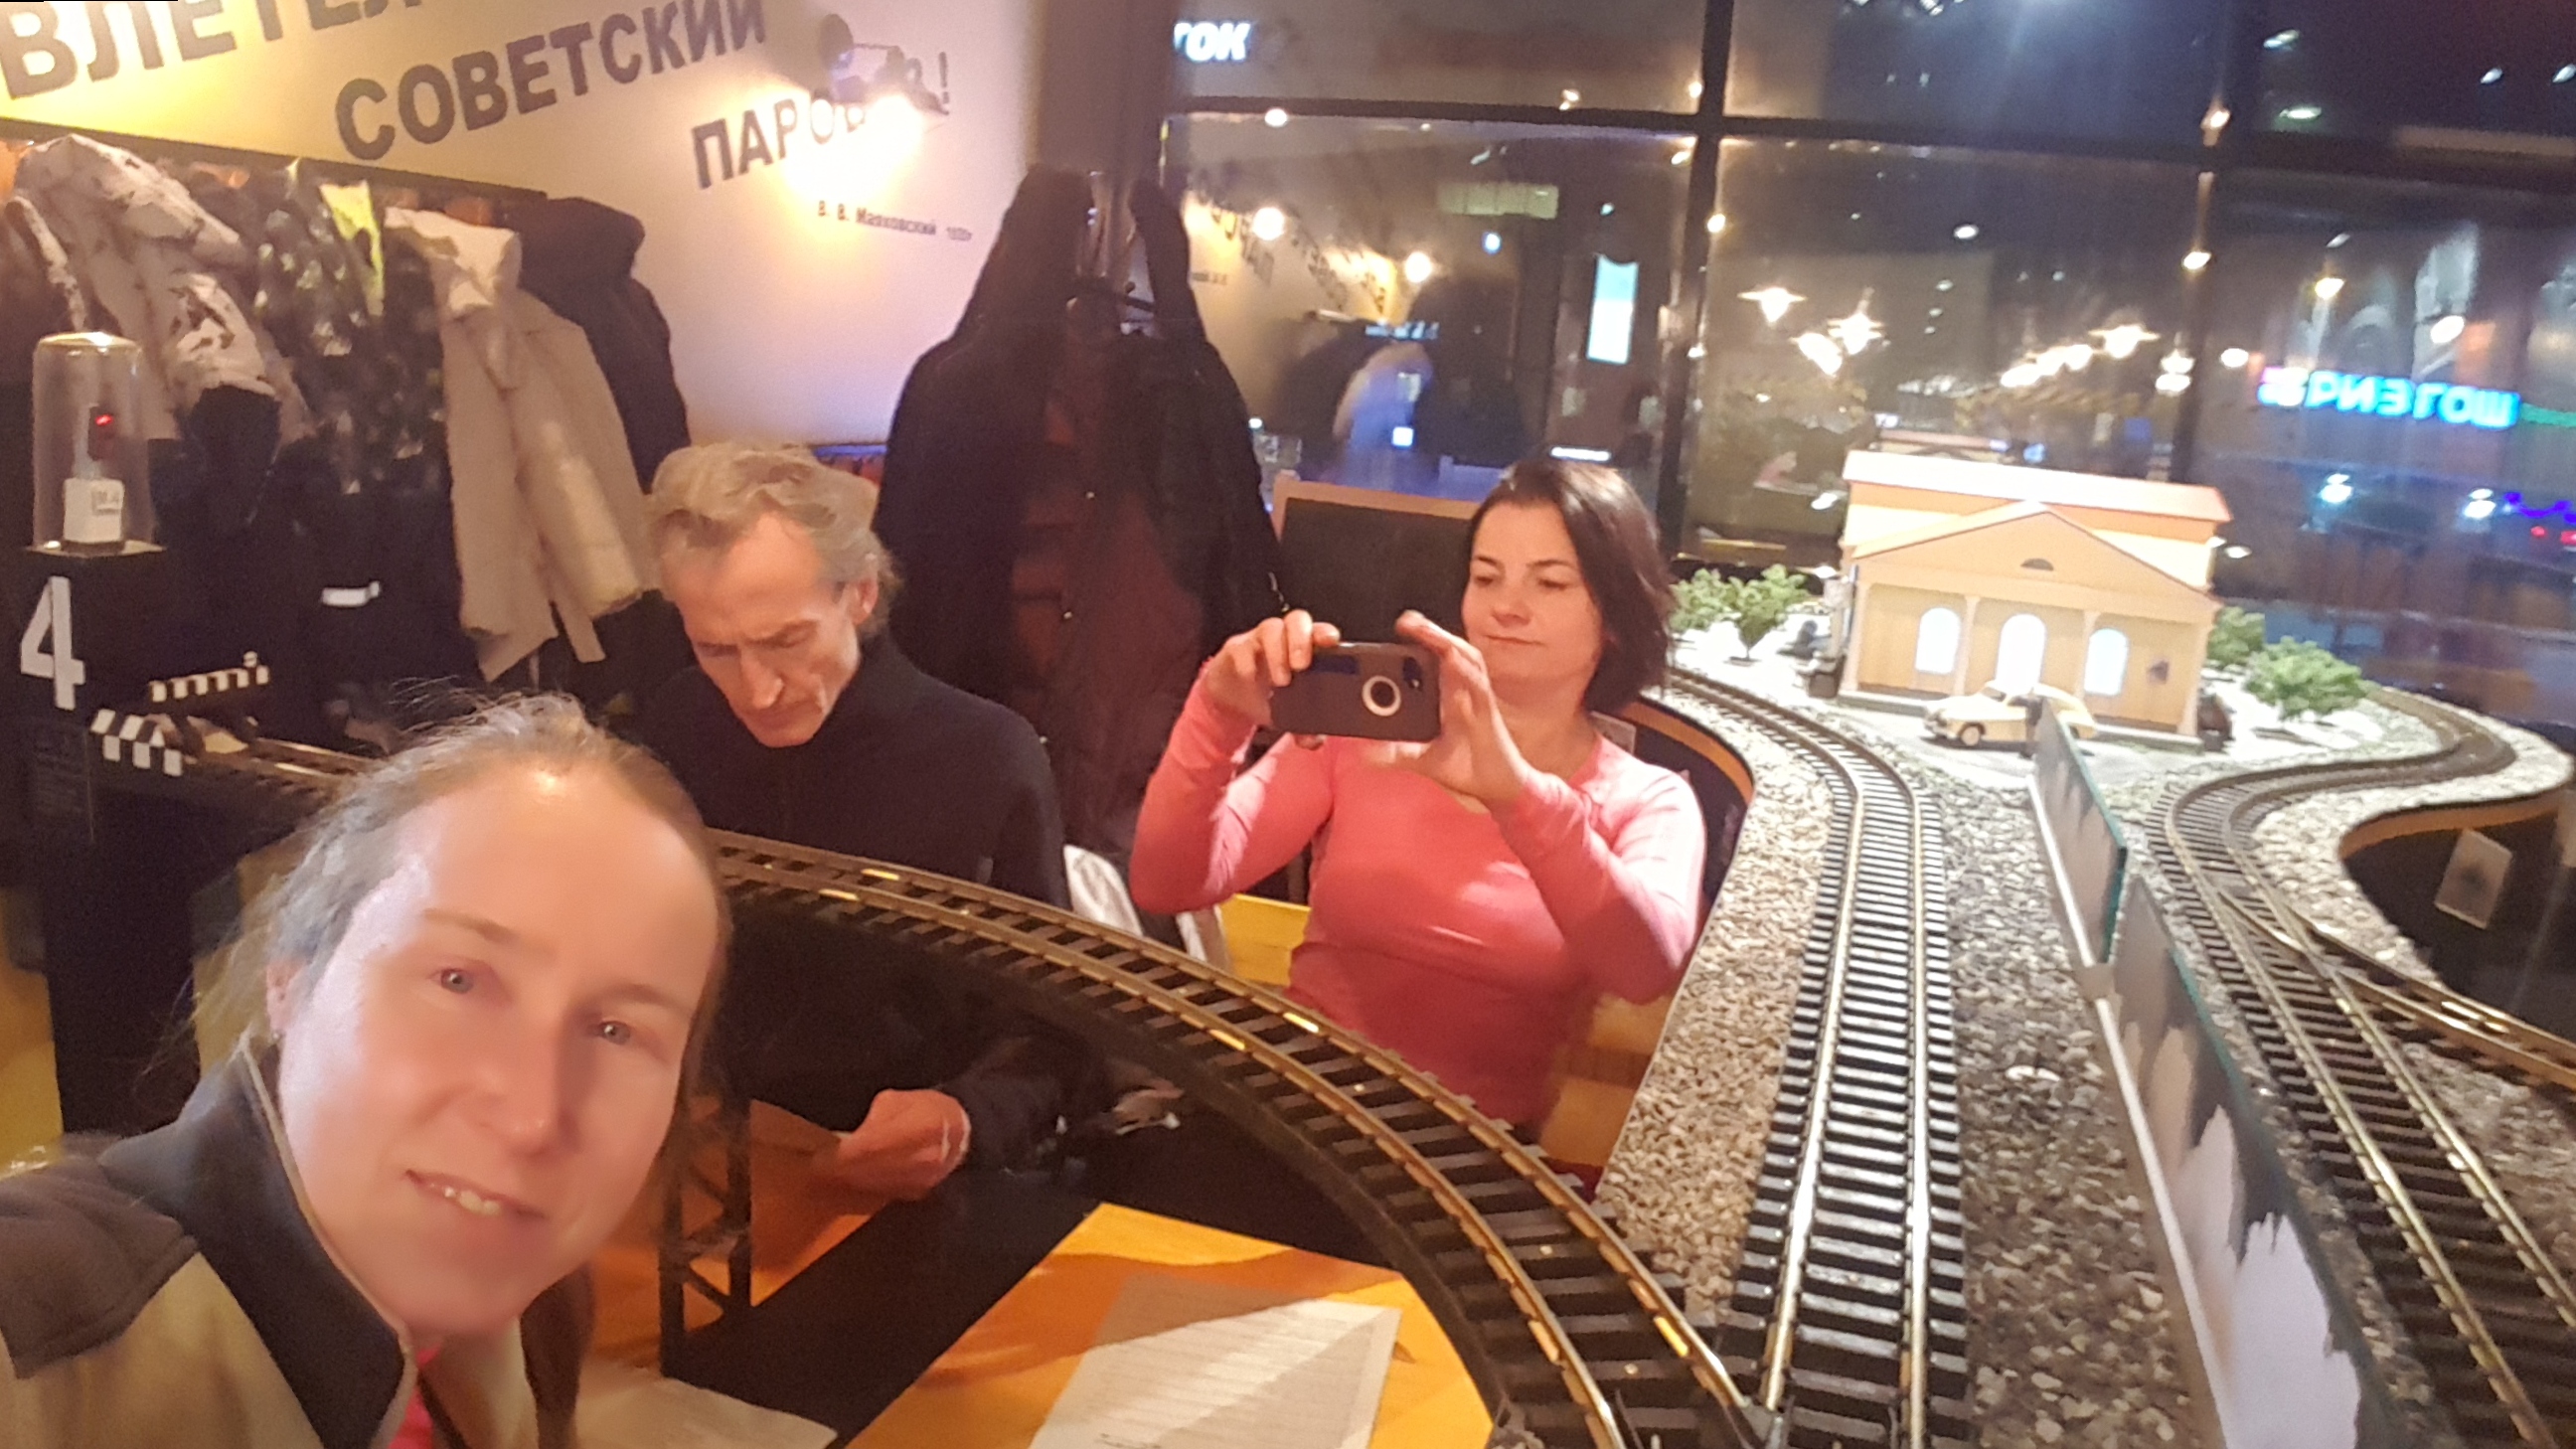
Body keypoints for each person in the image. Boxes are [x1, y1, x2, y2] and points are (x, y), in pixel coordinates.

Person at [0, 697, 728, 1447]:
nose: (532, 1118)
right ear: (289, 981)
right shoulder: (48, 1341)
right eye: (458, 981)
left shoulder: (535, 1311)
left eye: (616, 1031)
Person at [1130, 458, 1706, 1128]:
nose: (1506, 606)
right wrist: (1218, 712)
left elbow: (1644, 967)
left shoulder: (1648, 800)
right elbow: (1168, 883)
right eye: (1485, 577)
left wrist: (1519, 796)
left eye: (1550, 583)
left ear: (1615, 615)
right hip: (1295, 1112)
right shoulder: (1371, 732)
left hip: (1469, 1155)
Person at [636, 441, 1086, 1202]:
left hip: (921, 1190)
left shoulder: (983, 757)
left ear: (861, 595)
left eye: (786, 641)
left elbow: (1059, 1033)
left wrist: (964, 1118)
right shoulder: (678, 724)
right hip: (712, 1166)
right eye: (716, 649)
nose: (758, 691)